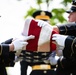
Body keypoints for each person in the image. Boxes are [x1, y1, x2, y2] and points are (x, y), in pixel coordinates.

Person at [20, 10, 57, 75]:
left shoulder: (54, 36)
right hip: (35, 72)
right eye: (40, 21)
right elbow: (23, 61)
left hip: (51, 72)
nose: (43, 23)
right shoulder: (29, 38)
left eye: (45, 21)